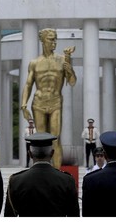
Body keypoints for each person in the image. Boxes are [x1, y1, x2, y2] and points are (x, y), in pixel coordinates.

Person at [21, 28, 77, 169]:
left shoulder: (63, 59)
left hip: (55, 102)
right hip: (38, 103)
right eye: (51, 39)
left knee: (55, 140)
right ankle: (39, 171)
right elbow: (28, 84)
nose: (54, 42)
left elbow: (72, 82)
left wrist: (70, 70)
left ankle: (57, 173)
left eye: (55, 39)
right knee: (40, 141)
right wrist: (23, 105)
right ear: (43, 41)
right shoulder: (34, 63)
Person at [4, 132, 80, 217]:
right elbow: (74, 215)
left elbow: (9, 215)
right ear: (52, 153)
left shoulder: (16, 181)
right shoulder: (67, 180)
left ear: (30, 154)